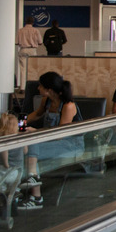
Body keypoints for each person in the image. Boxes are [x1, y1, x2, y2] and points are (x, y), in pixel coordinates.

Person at [20, 71, 85, 210]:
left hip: (70, 144)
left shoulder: (68, 106)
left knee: (32, 148)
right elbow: (36, 114)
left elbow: (59, 135)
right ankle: (30, 182)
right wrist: (20, 124)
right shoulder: (46, 101)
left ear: (49, 90)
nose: (38, 88)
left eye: (40, 86)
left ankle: (36, 197)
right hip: (50, 140)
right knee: (28, 147)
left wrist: (35, 132)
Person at [16, 17, 42, 89]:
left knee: (23, 69)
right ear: (33, 22)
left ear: (25, 22)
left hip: (23, 49)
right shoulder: (35, 30)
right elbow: (40, 42)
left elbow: (16, 42)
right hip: (32, 50)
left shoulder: (20, 30)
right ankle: (32, 88)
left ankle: (22, 88)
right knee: (33, 69)